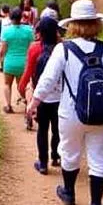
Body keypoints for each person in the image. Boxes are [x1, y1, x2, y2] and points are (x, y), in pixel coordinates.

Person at [28, 0, 103, 205]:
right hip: (102, 115)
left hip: (70, 113)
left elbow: (47, 80)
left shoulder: (63, 49)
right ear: (96, 23)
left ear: (71, 25)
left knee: (69, 153)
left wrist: (33, 103)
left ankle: (69, 193)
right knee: (99, 158)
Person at [20, 16, 62, 173]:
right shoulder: (64, 48)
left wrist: (23, 88)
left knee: (42, 129)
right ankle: (56, 156)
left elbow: (29, 71)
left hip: (42, 97)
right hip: (60, 98)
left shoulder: (35, 49)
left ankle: (43, 163)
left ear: (40, 33)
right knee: (57, 129)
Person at [0, 6, 34, 114]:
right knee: (23, 85)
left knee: (7, 84)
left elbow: (2, 50)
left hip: (10, 62)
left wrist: (1, 61)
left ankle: (8, 105)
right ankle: (28, 103)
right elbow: (31, 47)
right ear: (21, 17)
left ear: (10, 17)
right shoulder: (28, 30)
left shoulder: (6, 31)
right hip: (24, 62)